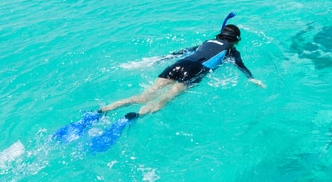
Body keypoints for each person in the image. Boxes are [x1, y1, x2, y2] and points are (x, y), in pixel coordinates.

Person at [100, 23, 266, 119]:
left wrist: (159, 60)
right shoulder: (231, 49)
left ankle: (104, 110)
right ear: (236, 40)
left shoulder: (206, 41)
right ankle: (136, 116)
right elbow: (240, 65)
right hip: (195, 70)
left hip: (179, 64)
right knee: (164, 99)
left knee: (144, 96)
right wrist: (252, 78)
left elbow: (182, 52)